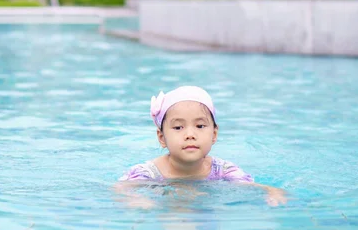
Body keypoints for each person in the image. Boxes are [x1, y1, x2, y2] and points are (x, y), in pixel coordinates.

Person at [117, 86, 287, 207]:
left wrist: (271, 191)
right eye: (178, 128)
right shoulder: (148, 173)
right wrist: (134, 199)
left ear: (214, 134)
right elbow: (119, 188)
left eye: (200, 126)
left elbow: (247, 187)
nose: (190, 135)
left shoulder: (223, 170)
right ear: (162, 138)